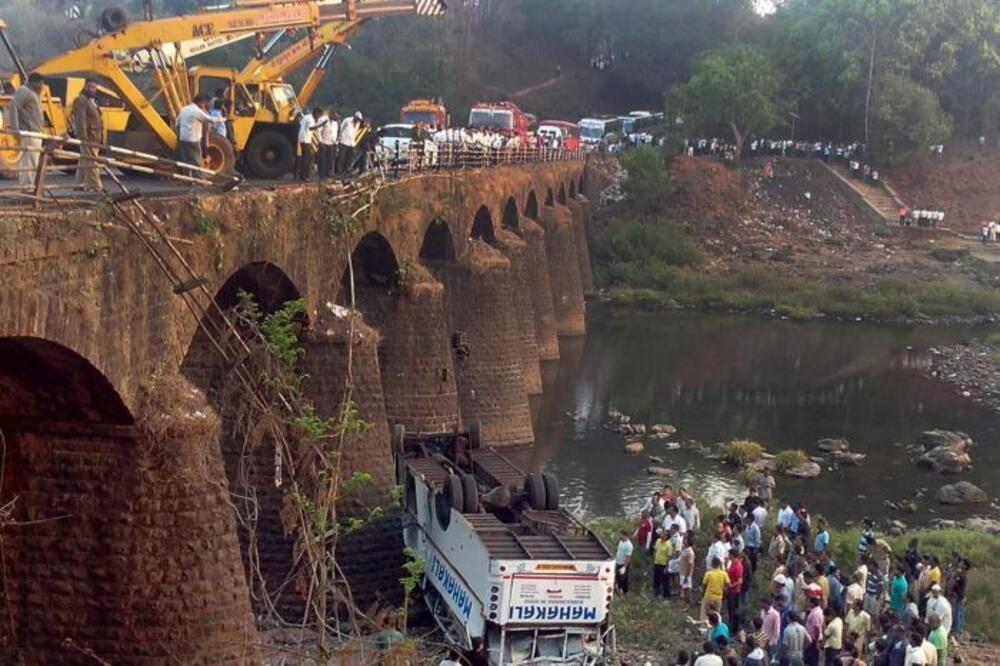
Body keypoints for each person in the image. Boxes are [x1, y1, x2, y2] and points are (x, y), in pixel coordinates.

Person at [11, 72, 46, 188]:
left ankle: (28, 185)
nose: (42, 86)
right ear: (33, 82)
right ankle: (26, 186)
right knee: (29, 161)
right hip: (29, 132)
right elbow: (13, 106)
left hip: (35, 132)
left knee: (32, 161)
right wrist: (15, 128)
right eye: (40, 83)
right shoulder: (24, 91)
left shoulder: (32, 93)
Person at [70, 78, 104, 192]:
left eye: (93, 87)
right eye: (89, 86)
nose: (91, 89)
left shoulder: (92, 101)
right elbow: (80, 120)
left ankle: (78, 184)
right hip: (88, 136)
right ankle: (95, 185)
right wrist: (82, 137)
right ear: (84, 86)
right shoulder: (81, 100)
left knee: (85, 160)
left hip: (95, 136)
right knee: (91, 161)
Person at [177, 94, 214, 175]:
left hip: (183, 138)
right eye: (205, 103)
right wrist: (206, 143)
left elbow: (177, 123)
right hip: (194, 139)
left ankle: (187, 177)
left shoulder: (185, 109)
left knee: (186, 160)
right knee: (196, 159)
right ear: (201, 102)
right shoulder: (199, 112)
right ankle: (199, 178)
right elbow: (207, 129)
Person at [296, 106, 326, 181]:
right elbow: (311, 128)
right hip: (306, 140)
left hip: (303, 139)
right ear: (316, 113)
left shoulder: (307, 116)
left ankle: (302, 175)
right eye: (319, 115)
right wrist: (321, 124)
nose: (319, 117)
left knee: (304, 158)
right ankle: (304, 176)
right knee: (307, 159)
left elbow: (301, 123)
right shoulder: (310, 119)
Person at [702, 557, 730, 622]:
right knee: (717, 615)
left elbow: (704, 585)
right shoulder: (724, 574)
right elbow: (728, 585)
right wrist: (725, 593)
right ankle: (715, 627)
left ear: (712, 564)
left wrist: (703, 595)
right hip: (718, 597)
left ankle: (705, 627)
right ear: (719, 564)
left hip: (708, 596)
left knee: (707, 614)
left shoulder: (708, 573)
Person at [336, 111, 361, 176]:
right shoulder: (347, 120)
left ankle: (346, 170)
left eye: (359, 119)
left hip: (351, 143)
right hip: (344, 141)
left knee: (349, 158)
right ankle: (339, 171)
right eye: (357, 118)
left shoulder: (358, 124)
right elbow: (341, 128)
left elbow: (355, 132)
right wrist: (339, 137)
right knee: (341, 157)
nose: (358, 120)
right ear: (354, 116)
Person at [726, 547, 744, 632]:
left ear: (732, 555)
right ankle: (731, 625)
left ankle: (734, 628)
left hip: (734, 592)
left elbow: (740, 580)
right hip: (730, 591)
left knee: (733, 610)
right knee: (730, 609)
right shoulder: (732, 563)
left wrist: (731, 585)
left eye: (729, 554)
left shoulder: (737, 566)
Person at [317, 109, 339, 179]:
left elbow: (335, 132)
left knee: (329, 159)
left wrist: (335, 141)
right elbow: (318, 130)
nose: (336, 119)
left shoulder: (335, 122)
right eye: (335, 117)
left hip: (331, 142)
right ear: (331, 115)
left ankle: (328, 173)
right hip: (323, 142)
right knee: (322, 159)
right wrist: (320, 141)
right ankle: (321, 175)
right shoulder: (323, 119)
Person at [949, 558, 969, 636]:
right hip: (961, 595)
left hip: (958, 596)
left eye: (961, 562)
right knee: (960, 613)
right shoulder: (963, 574)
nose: (960, 563)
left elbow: (954, 583)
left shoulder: (961, 575)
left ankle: (957, 632)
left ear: (964, 565)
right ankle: (960, 630)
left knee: (957, 613)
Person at [652, 529, 673, 598]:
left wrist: (667, 567)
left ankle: (667, 595)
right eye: (662, 533)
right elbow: (655, 550)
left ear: (666, 536)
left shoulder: (668, 545)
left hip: (663, 564)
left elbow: (669, 557)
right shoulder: (658, 541)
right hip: (657, 563)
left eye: (663, 534)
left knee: (665, 581)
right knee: (656, 579)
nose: (662, 535)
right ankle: (657, 593)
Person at [804, 597, 823, 665]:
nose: (807, 603)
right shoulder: (818, 610)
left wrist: (816, 641)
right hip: (814, 638)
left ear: (812, 603)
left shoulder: (815, 614)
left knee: (811, 660)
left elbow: (816, 628)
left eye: (809, 602)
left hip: (813, 639)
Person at [614, 530, 633, 595]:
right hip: (618, 562)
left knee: (624, 578)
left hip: (623, 564)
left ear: (624, 535)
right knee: (618, 577)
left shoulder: (629, 545)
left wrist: (624, 567)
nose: (619, 536)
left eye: (620, 535)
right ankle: (618, 589)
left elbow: (628, 557)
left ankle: (625, 591)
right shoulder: (621, 542)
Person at [679, 533, 696, 603]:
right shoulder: (684, 549)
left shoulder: (690, 552)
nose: (684, 540)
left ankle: (688, 604)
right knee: (683, 588)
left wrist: (687, 576)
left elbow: (690, 564)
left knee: (687, 589)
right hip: (682, 572)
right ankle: (684, 603)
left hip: (686, 573)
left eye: (685, 539)